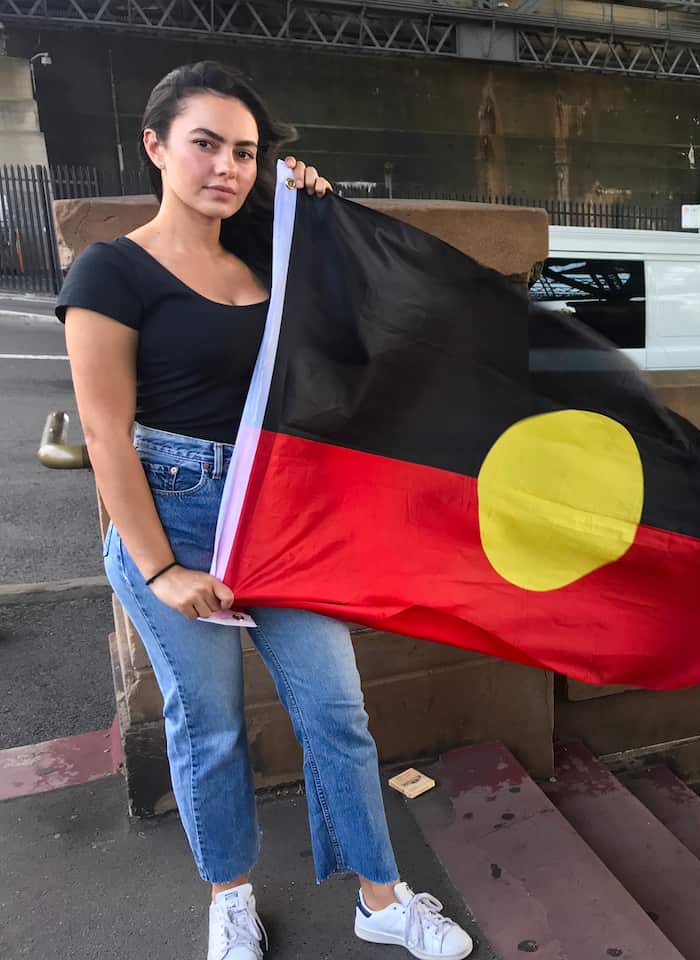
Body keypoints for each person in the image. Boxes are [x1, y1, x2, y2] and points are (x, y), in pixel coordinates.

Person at [57, 61, 473, 960]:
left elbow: (348, 337)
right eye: (205, 143)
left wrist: (313, 218)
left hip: (281, 517)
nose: (227, 167)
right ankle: (230, 896)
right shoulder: (111, 271)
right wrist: (164, 570)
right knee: (206, 726)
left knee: (336, 713)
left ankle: (379, 896)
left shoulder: (265, 247)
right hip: (174, 516)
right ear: (155, 144)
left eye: (244, 151)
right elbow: (105, 434)